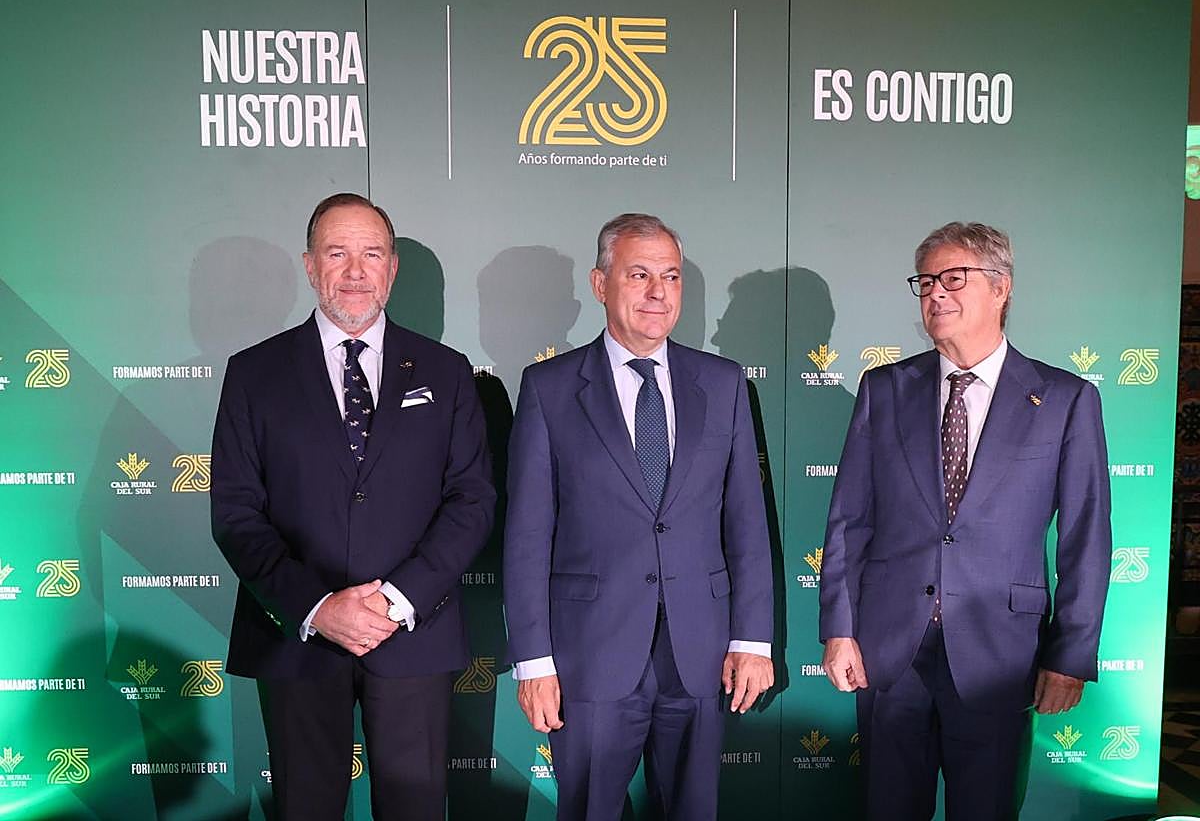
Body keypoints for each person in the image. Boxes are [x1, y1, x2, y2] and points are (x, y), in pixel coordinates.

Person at [210, 192, 494, 820]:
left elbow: (471, 499)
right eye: (337, 254)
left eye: (372, 254)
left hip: (414, 636)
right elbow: (235, 511)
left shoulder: (448, 372)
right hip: (297, 639)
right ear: (310, 265)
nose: (356, 272)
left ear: (392, 267)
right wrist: (318, 606)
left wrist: (396, 599)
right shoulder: (254, 373)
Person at [819, 222, 1111, 820]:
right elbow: (850, 519)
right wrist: (839, 629)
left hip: (1001, 656)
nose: (935, 292)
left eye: (954, 278)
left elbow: (1086, 538)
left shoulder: (1065, 399)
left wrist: (1070, 654)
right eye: (926, 281)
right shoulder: (885, 389)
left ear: (1001, 288)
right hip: (889, 651)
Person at [503, 213, 775, 820]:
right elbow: (526, 536)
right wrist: (534, 661)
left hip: (701, 653)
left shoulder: (723, 383)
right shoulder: (549, 388)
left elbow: (747, 524)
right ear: (600, 284)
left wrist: (752, 639)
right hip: (588, 655)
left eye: (671, 277)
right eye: (640, 275)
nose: (658, 292)